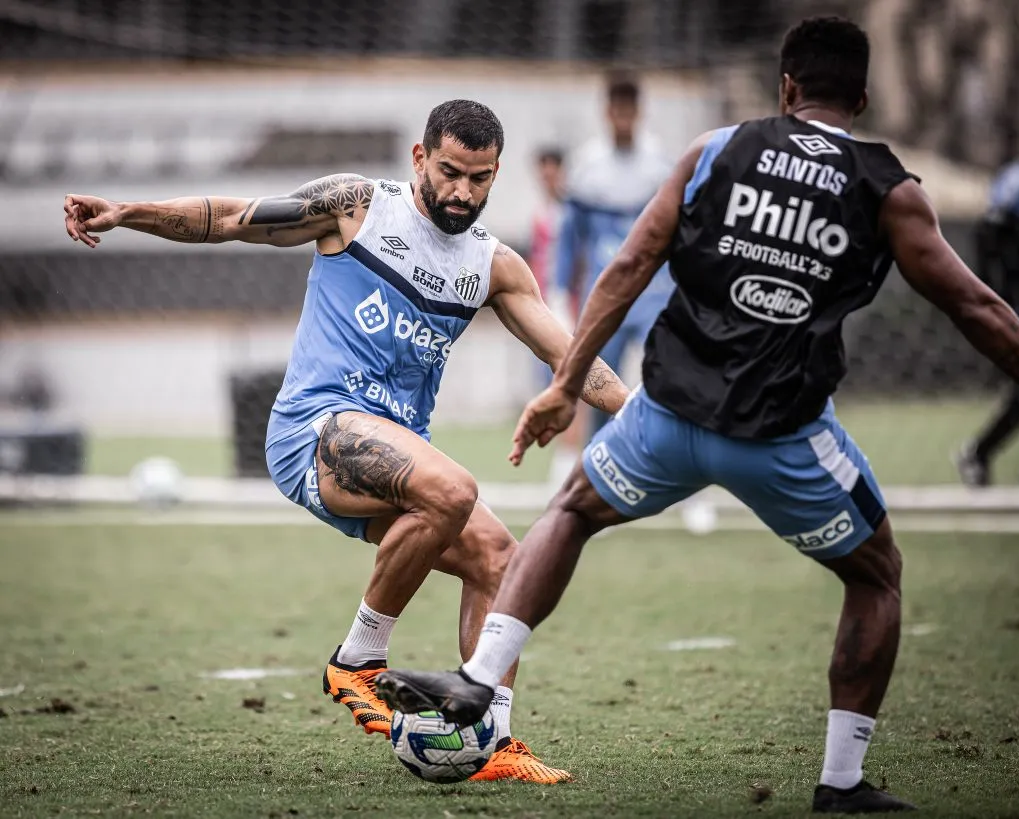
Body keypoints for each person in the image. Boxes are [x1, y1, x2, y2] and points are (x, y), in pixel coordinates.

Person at [377, 17, 1019, 812]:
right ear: (862, 98)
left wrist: (565, 384)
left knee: (572, 510)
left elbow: (628, 265)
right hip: (783, 437)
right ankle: (841, 781)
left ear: (785, 88)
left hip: (667, 417)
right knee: (877, 574)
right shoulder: (888, 187)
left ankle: (480, 677)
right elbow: (976, 307)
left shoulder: (715, 151)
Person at [62, 99, 630, 783]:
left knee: (500, 559)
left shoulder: (495, 266)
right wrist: (128, 212)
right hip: (314, 429)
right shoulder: (356, 207)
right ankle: (359, 658)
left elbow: (573, 360)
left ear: (496, 175)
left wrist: (641, 413)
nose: (462, 191)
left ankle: (492, 739)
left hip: (395, 453)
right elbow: (233, 218)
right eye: (449, 172)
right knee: (454, 489)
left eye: (479, 179)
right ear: (419, 158)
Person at [548, 75, 675, 443]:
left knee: (668, 380)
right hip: (606, 294)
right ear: (607, 113)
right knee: (600, 387)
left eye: (628, 112)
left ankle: (670, 465)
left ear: (638, 112)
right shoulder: (588, 167)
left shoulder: (659, 166)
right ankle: (596, 461)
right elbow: (571, 237)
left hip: (653, 293)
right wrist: (560, 291)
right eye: (617, 111)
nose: (623, 120)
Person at [955, 156, 1019, 486]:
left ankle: (979, 453)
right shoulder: (1015, 182)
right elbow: (989, 234)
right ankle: (978, 453)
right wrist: (991, 295)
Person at [526, 147, 586, 486]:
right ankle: (567, 454)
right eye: (543, 174)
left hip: (569, 307)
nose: (547, 179)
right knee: (551, 383)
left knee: (571, 382)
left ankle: (568, 458)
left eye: (552, 173)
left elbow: (579, 262)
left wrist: (574, 303)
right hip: (544, 307)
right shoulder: (540, 214)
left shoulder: (571, 213)